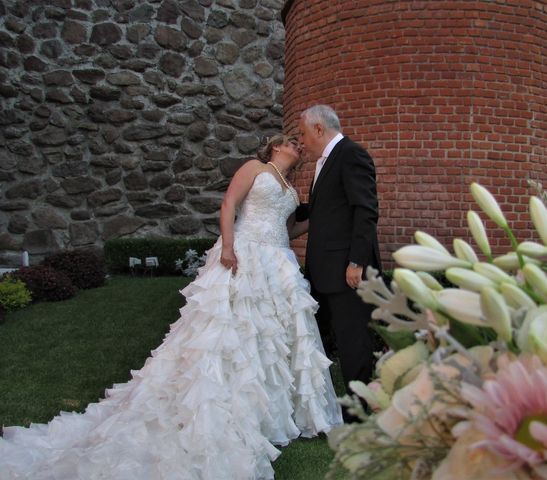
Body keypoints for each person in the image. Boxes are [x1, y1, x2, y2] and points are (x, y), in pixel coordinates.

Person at [0, 134, 342, 480]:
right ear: (275, 147)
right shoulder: (256, 167)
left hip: (277, 263)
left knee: (270, 337)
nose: (298, 145)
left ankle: (269, 409)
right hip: (246, 254)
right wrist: (227, 246)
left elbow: (289, 229)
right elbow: (228, 205)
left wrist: (321, 218)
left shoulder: (291, 189)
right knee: (229, 330)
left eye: (301, 143)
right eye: (292, 142)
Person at [297, 105, 380, 419]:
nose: (302, 141)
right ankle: (318, 405)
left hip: (347, 270)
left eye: (303, 134)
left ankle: (360, 411)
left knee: (353, 341)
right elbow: (327, 209)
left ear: (319, 129)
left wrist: (356, 262)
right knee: (320, 339)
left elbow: (365, 210)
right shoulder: (326, 161)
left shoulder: (351, 154)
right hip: (323, 271)